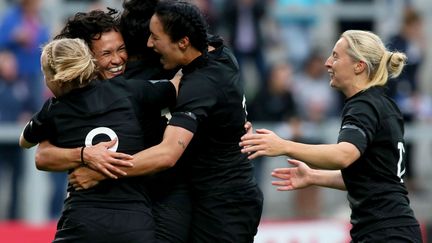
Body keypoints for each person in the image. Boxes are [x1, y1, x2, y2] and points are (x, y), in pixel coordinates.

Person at [70, 1, 263, 242]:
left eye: (156, 37)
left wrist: (102, 172)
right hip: (209, 195)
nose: (151, 44)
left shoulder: (198, 83)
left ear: (181, 41)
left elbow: (167, 154)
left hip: (225, 202)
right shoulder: (217, 52)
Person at [240, 30, 422, 242]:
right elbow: (372, 177)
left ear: (359, 65)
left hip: (385, 233)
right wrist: (313, 177)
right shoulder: (383, 103)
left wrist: (283, 145)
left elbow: (344, 155)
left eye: (336, 56)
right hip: (394, 229)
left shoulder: (363, 105)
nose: (327, 63)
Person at [19, 37, 180, 242]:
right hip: (134, 223)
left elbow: (24, 141)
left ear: (56, 79)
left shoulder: (54, 110)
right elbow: (175, 87)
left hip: (82, 222)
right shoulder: (129, 90)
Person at [0, 0, 50, 113]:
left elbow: (45, 42)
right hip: (15, 74)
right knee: (13, 108)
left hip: (35, 72)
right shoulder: (11, 17)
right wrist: (14, 37)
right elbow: (1, 40)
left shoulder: (41, 17)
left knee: (37, 108)